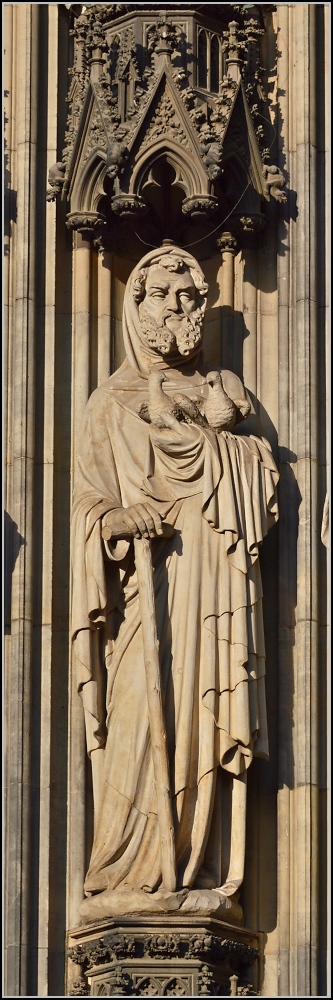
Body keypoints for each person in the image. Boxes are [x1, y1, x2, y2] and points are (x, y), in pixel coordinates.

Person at [71, 245, 279, 922]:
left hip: (212, 592)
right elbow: (84, 502)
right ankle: (132, 865)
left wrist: (226, 450)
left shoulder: (225, 394)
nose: (181, 310)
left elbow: (258, 484)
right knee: (136, 718)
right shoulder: (111, 402)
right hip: (146, 601)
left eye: (191, 298)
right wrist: (116, 519)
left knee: (203, 725)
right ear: (136, 307)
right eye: (165, 296)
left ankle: (201, 863)